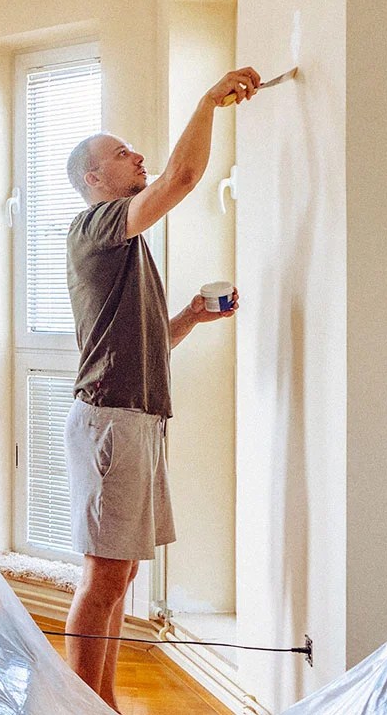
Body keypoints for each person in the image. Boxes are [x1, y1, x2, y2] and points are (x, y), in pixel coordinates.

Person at [59, 68, 260, 711]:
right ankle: (80, 706)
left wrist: (191, 320)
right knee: (104, 578)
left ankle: (105, 700)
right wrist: (208, 102)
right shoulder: (97, 228)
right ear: (96, 180)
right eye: (121, 154)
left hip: (134, 421)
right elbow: (182, 177)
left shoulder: (129, 245)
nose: (135, 155)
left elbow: (142, 347)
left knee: (122, 576)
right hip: (110, 425)